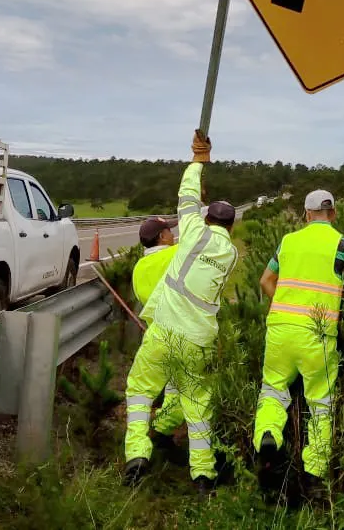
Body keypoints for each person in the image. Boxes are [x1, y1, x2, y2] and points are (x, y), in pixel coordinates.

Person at [123, 130, 239, 494]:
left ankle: (137, 455)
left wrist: (198, 163)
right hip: (199, 338)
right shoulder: (231, 254)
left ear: (205, 220)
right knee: (198, 408)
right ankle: (203, 477)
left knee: (140, 392)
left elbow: (185, 196)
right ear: (231, 227)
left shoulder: (186, 236)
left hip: (163, 331)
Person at [252, 190, 344, 494]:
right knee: (320, 403)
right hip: (318, 335)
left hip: (280, 329)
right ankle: (314, 473)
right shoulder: (343, 245)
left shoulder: (287, 241)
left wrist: (288, 305)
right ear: (333, 214)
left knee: (272, 391)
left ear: (306, 213)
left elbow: (265, 281)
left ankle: (268, 437)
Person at [130, 216, 185, 449]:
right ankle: (163, 434)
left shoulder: (138, 268)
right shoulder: (175, 254)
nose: (173, 235)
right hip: (180, 333)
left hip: (153, 336)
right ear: (162, 236)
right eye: (169, 232)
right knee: (178, 389)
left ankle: (138, 446)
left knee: (142, 392)